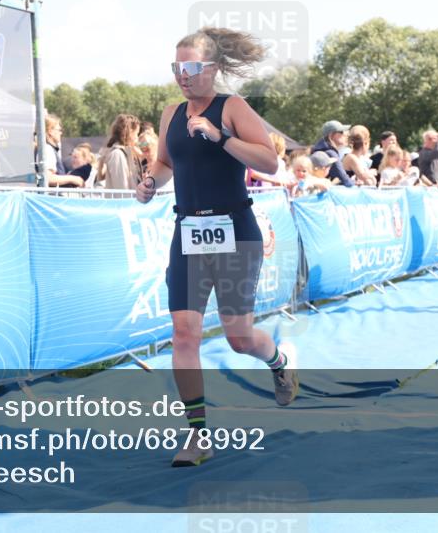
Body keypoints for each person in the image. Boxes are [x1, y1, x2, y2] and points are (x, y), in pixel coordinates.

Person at [134, 28, 299, 467]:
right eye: (176, 68)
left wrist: (219, 136)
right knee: (184, 333)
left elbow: (270, 162)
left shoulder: (233, 108)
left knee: (238, 337)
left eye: (189, 68)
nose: (181, 77)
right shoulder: (171, 112)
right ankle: (197, 435)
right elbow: (167, 162)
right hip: (188, 233)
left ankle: (279, 361)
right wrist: (151, 182)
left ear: (213, 69)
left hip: (234, 232)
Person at [35, 112, 85, 187]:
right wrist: (73, 179)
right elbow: (48, 178)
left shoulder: (46, 149)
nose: (61, 133)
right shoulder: (47, 149)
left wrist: (65, 176)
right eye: (59, 130)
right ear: (50, 131)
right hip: (52, 197)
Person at [97, 113, 141, 189]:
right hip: (124, 200)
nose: (137, 138)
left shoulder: (125, 153)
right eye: (136, 133)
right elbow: (121, 187)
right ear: (130, 132)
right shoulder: (117, 154)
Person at [310, 121, 355, 187]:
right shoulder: (330, 153)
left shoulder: (318, 150)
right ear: (331, 135)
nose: (345, 134)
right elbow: (346, 181)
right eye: (341, 132)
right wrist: (356, 183)